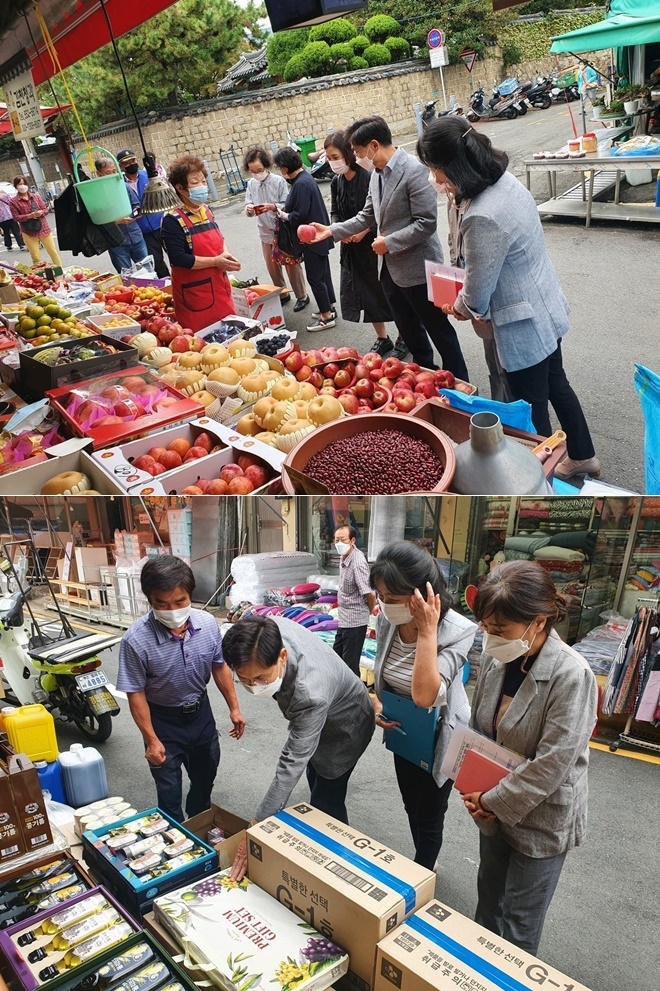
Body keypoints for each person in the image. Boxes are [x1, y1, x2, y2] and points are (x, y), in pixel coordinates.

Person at [417, 117, 600, 481]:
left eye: (436, 170)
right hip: (544, 304)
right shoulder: (503, 181)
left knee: (530, 411)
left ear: (456, 167)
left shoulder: (482, 215)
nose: (434, 179)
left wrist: (459, 307)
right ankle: (583, 455)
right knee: (557, 383)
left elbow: (477, 293)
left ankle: (540, 479)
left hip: (522, 324)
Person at [463, 561, 597, 955]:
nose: (490, 637)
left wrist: (492, 800)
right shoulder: (497, 658)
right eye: (486, 627)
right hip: (490, 805)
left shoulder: (572, 675)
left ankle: (510, 978)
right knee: (488, 901)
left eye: (500, 629)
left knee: (520, 924)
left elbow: (552, 763)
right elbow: (478, 730)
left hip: (541, 816)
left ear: (538, 622)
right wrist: (473, 790)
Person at [310, 115, 468, 379]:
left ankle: (460, 381)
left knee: (438, 329)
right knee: (409, 330)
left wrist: (389, 242)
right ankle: (424, 374)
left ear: (374, 145)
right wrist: (331, 230)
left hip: (419, 269)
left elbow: (426, 223)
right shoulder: (376, 175)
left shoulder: (414, 170)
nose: (358, 158)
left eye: (359, 152)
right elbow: (366, 216)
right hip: (389, 270)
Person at [223, 614, 375, 880]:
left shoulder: (309, 693)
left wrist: (256, 826)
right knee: (314, 774)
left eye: (260, 678)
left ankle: (343, 869)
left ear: (282, 656)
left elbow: (291, 762)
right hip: (325, 707)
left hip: (345, 729)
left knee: (326, 799)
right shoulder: (264, 631)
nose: (253, 686)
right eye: (244, 680)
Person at [370, 542, 476, 870]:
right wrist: (379, 705)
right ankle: (423, 861)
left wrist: (427, 631)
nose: (385, 605)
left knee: (430, 813)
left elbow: (426, 696)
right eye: (381, 596)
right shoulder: (388, 620)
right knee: (410, 804)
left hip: (441, 733)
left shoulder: (458, 631)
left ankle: (422, 873)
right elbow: (384, 675)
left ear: (424, 593)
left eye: (393, 598)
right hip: (405, 729)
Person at [116, 556, 246, 822]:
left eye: (180, 601)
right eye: (162, 604)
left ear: (190, 595)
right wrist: (151, 739)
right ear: (150, 600)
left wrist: (234, 708)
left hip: (200, 715)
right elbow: (135, 692)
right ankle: (174, 832)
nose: (172, 610)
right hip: (162, 721)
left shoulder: (208, 625)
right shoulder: (135, 640)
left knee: (205, 777)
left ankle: (198, 823)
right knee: (168, 789)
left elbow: (219, 666)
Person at [324, 129, 394, 357]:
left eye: (335, 157)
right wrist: (339, 229)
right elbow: (335, 212)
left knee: (386, 292)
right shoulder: (336, 182)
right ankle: (383, 338)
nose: (332, 162)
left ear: (348, 153)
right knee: (366, 294)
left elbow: (376, 214)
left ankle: (405, 336)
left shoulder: (368, 177)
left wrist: (363, 232)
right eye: (329, 158)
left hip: (373, 245)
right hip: (351, 248)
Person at [443, 184, 512, 403]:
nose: (434, 178)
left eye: (436, 171)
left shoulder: (480, 209)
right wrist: (456, 291)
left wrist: (467, 305)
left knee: (507, 367)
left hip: (494, 302)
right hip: (476, 298)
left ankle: (511, 409)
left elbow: (483, 268)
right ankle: (499, 406)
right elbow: (455, 246)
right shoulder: (452, 201)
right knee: (493, 361)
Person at [161, 154, 241, 333]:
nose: (202, 186)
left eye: (203, 181)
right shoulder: (172, 220)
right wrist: (216, 261)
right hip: (194, 296)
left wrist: (225, 255)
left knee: (231, 335)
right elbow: (178, 258)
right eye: (195, 182)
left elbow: (220, 238)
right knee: (203, 342)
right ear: (180, 188)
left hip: (220, 288)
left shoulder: (206, 210)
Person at [272, 146, 336, 333]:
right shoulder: (305, 178)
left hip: (311, 238)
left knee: (315, 278)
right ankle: (329, 307)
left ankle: (326, 316)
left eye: (279, 167)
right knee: (323, 275)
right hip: (317, 235)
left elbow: (299, 214)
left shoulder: (300, 184)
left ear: (285, 167)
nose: (280, 170)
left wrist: (283, 215)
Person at [243, 145, 308, 309]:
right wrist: (249, 209)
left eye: (259, 170)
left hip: (282, 231)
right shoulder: (251, 184)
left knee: (291, 265)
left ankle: (302, 296)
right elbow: (248, 204)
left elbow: (287, 204)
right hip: (265, 232)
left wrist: (273, 207)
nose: (256, 173)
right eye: (253, 171)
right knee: (272, 267)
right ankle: (282, 294)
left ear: (266, 166)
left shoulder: (279, 181)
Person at [117, 149, 169, 277]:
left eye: (133, 161)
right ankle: (167, 284)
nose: (131, 164)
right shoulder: (119, 185)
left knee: (176, 256)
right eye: (126, 163)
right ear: (121, 166)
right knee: (157, 263)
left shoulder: (148, 176)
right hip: (143, 230)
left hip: (161, 224)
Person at [333, 523, 375, 677]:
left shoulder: (357, 563)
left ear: (352, 541)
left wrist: (367, 613)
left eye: (343, 540)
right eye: (336, 540)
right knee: (336, 658)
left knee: (350, 664)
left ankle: (356, 691)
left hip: (355, 621)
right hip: (344, 619)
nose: (339, 543)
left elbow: (370, 594)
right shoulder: (344, 556)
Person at [95, 158, 149, 274]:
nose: (113, 175)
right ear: (99, 174)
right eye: (108, 173)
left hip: (136, 236)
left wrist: (133, 215)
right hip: (116, 242)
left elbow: (136, 205)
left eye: (114, 171)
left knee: (147, 271)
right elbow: (96, 218)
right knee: (126, 275)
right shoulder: (96, 193)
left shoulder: (124, 186)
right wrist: (115, 221)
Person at [9, 176, 61, 267]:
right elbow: (16, 217)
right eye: (20, 184)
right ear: (16, 186)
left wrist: (40, 213)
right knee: (36, 257)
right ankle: (39, 273)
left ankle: (59, 270)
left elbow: (45, 209)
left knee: (53, 252)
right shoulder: (13, 201)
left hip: (44, 228)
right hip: (28, 231)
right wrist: (30, 215)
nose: (22, 186)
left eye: (24, 184)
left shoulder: (36, 197)